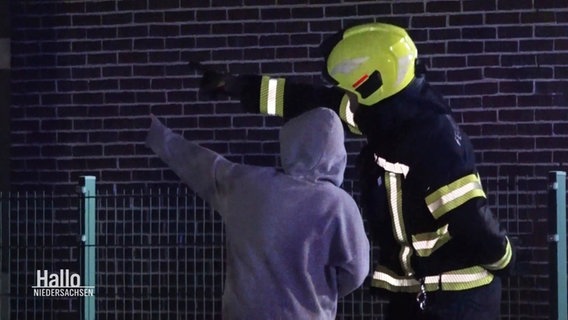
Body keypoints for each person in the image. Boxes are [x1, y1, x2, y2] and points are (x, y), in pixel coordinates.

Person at [194, 22, 514, 320]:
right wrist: (236, 86)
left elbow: (470, 219)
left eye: (350, 90)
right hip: (418, 296)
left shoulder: (431, 136)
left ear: (372, 83)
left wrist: (505, 260)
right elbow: (306, 99)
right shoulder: (386, 115)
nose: (346, 101)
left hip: (455, 302)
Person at [145, 108, 370, 319]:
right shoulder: (339, 205)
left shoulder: (248, 186)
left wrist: (156, 133)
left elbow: (200, 164)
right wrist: (319, 289)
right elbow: (356, 272)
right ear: (338, 153)